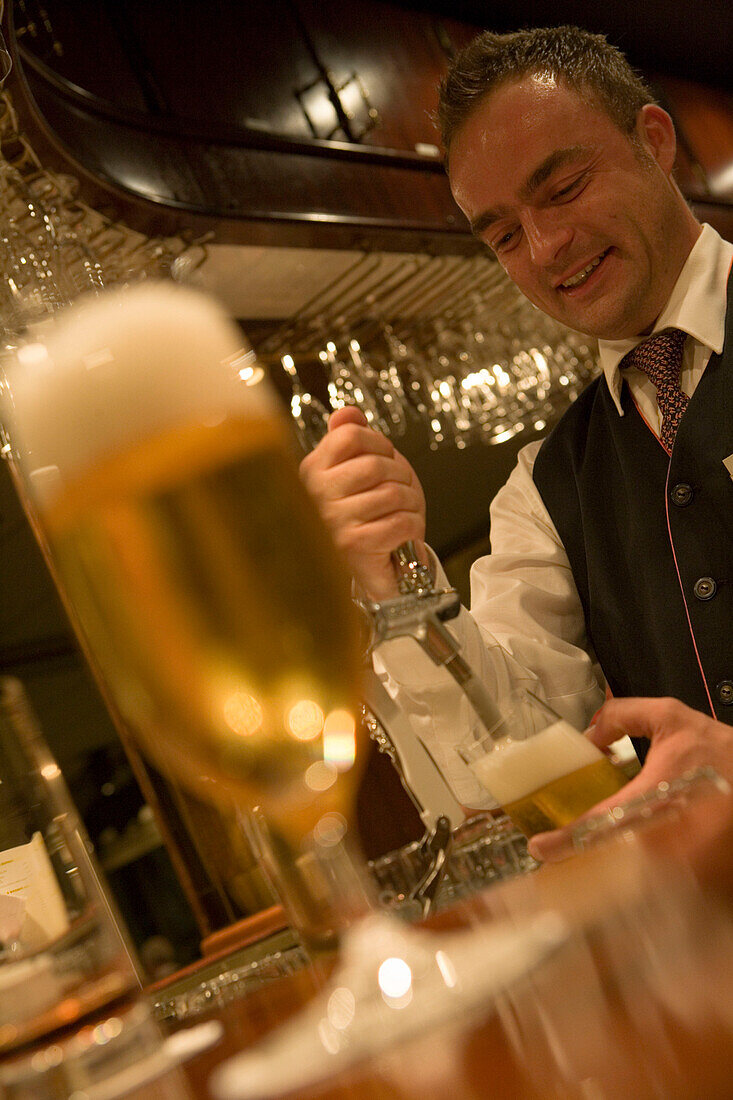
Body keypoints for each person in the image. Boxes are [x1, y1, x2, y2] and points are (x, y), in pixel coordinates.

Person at [299, 26, 733, 823]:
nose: (545, 246)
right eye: (502, 234)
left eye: (563, 188)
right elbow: (511, 754)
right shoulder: (545, 485)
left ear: (653, 139)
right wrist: (394, 581)